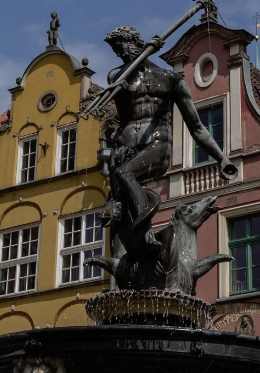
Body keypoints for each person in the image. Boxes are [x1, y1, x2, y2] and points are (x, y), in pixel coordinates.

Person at [101, 25, 236, 227]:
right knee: (119, 213)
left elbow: (196, 127)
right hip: (124, 150)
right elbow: (122, 81)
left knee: (125, 174)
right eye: (115, 52)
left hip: (156, 145)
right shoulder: (116, 77)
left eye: (121, 48)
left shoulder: (170, 79)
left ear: (135, 43)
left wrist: (222, 158)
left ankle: (143, 229)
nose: (120, 55)